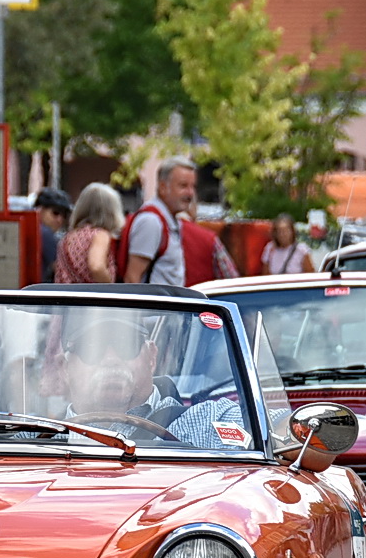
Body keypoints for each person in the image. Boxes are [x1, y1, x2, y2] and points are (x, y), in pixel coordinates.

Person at [56, 311, 248, 450]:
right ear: (64, 368)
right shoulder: (32, 435)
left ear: (151, 357)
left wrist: (278, 429)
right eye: (91, 348)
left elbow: (274, 429)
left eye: (126, 344)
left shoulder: (202, 424)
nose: (111, 360)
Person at [122, 157, 195, 285]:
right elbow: (132, 278)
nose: (190, 193)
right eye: (183, 186)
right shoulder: (151, 222)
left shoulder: (169, 219)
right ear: (162, 187)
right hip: (155, 305)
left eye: (192, 186)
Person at [55, 183, 122, 284]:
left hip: (65, 296)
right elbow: (96, 267)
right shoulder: (100, 235)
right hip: (89, 297)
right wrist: (110, 286)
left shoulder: (68, 237)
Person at [33, 186, 72, 282]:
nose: (60, 219)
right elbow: (61, 270)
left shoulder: (34, 229)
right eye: (55, 213)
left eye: (64, 215)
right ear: (40, 210)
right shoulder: (45, 233)